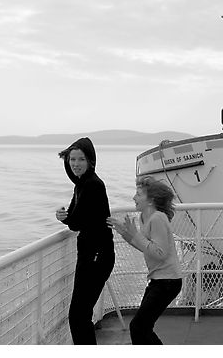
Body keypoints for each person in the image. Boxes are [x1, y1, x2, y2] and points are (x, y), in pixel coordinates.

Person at [107, 176, 182, 345]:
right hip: (158, 281)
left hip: (168, 282)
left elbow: (160, 253)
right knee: (143, 327)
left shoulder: (158, 218)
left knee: (139, 327)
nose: (134, 197)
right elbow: (145, 247)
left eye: (139, 194)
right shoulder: (144, 218)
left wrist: (135, 235)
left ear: (151, 200)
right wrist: (125, 233)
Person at [55, 137, 115, 345]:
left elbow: (75, 221)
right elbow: (73, 215)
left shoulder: (92, 185)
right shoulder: (82, 184)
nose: (75, 164)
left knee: (78, 316)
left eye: (81, 159)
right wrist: (65, 216)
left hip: (97, 256)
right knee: (80, 315)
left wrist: (66, 218)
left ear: (91, 161)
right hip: (93, 255)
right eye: (72, 159)